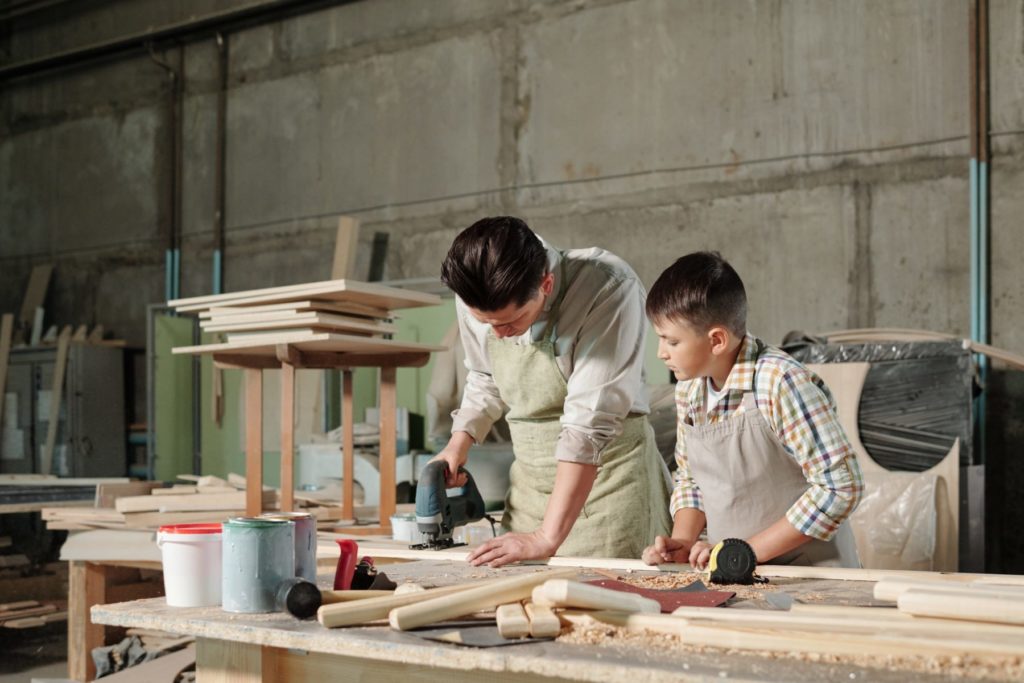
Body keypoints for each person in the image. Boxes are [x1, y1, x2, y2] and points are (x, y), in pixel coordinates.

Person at [433, 216, 671, 567]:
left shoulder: (606, 287)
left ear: (546, 284)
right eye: (486, 323)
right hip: (530, 488)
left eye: (510, 322)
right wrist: (458, 443)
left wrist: (546, 537)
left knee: (606, 607)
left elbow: (587, 426)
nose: (498, 335)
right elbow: (485, 375)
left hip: (608, 488)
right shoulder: (476, 288)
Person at [641, 251, 863, 569]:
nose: (661, 353)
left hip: (809, 573)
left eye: (672, 342)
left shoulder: (780, 382)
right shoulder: (690, 389)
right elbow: (691, 479)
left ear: (716, 340)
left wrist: (746, 551)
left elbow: (842, 486)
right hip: (731, 569)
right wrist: (685, 542)